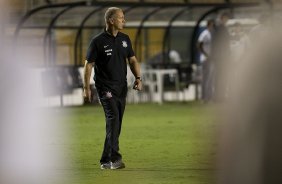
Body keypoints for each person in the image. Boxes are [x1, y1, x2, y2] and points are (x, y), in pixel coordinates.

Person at [83, 7, 142, 170]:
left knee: (116, 124)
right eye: (121, 18)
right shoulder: (97, 41)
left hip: (121, 87)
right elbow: (88, 65)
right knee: (113, 119)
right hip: (105, 88)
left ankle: (105, 160)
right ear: (111, 20)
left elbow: (133, 61)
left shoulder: (125, 39)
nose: (124, 20)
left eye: (123, 17)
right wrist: (86, 87)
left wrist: (138, 78)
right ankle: (115, 159)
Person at [210, 12, 231, 101]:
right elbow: (216, 43)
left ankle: (220, 95)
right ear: (222, 18)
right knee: (219, 76)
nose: (226, 20)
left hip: (222, 56)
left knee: (221, 76)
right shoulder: (219, 28)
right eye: (226, 18)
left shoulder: (221, 28)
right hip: (220, 56)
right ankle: (218, 96)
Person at [197, 19, 215, 103]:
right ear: (209, 25)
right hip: (205, 59)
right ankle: (204, 98)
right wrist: (206, 55)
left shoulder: (211, 34)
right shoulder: (205, 34)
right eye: (211, 25)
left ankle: (208, 97)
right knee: (205, 79)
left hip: (210, 58)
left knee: (210, 79)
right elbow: (199, 45)